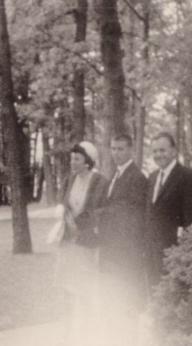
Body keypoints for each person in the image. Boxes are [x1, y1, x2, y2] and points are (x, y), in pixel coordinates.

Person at [54, 141, 108, 346]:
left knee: (85, 289)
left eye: (77, 159)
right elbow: (63, 202)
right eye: (71, 159)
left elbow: (101, 210)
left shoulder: (100, 181)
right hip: (68, 243)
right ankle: (67, 333)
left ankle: (88, 334)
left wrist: (83, 225)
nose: (73, 163)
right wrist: (64, 216)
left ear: (88, 161)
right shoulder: (70, 179)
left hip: (86, 244)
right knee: (67, 289)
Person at [97, 134, 148, 346]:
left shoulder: (137, 178)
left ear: (131, 150)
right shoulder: (115, 176)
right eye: (113, 148)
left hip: (126, 256)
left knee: (127, 308)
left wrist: (102, 214)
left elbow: (132, 217)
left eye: (120, 149)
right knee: (113, 307)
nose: (116, 153)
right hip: (111, 255)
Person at [145, 132, 192, 288]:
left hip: (174, 251)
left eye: (162, 150)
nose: (158, 155)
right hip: (152, 252)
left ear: (173, 151)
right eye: (155, 151)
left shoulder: (188, 177)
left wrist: (183, 253)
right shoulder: (152, 177)